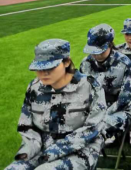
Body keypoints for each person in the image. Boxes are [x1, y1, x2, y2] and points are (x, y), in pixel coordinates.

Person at [7, 39, 106, 170]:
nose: (43, 73)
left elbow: (92, 129)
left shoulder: (90, 87)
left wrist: (54, 151)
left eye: (50, 67)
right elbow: (26, 127)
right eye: (39, 67)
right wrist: (28, 151)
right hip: (42, 149)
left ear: (66, 62)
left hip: (80, 149)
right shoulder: (34, 88)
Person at [80, 24, 131, 146]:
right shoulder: (85, 64)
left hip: (121, 108)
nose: (96, 55)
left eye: (99, 51)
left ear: (110, 45)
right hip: (96, 109)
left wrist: (103, 114)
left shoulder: (124, 63)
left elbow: (125, 98)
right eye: (93, 51)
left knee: (97, 126)